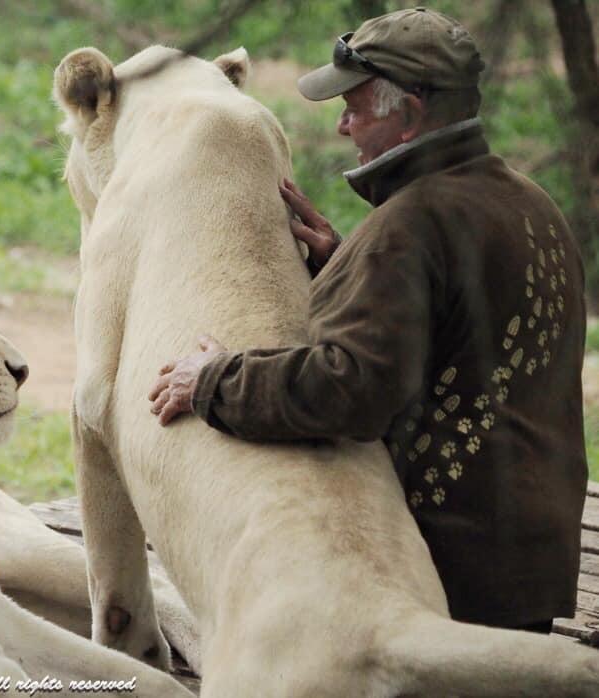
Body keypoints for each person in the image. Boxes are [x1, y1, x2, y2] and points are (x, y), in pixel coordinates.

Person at [147, 7, 588, 632]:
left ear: (407, 115)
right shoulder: (529, 200)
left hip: (447, 580)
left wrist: (215, 380)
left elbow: (347, 393)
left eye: (354, 107)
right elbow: (468, 327)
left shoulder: (409, 229)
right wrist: (349, 264)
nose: (341, 124)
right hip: (532, 562)